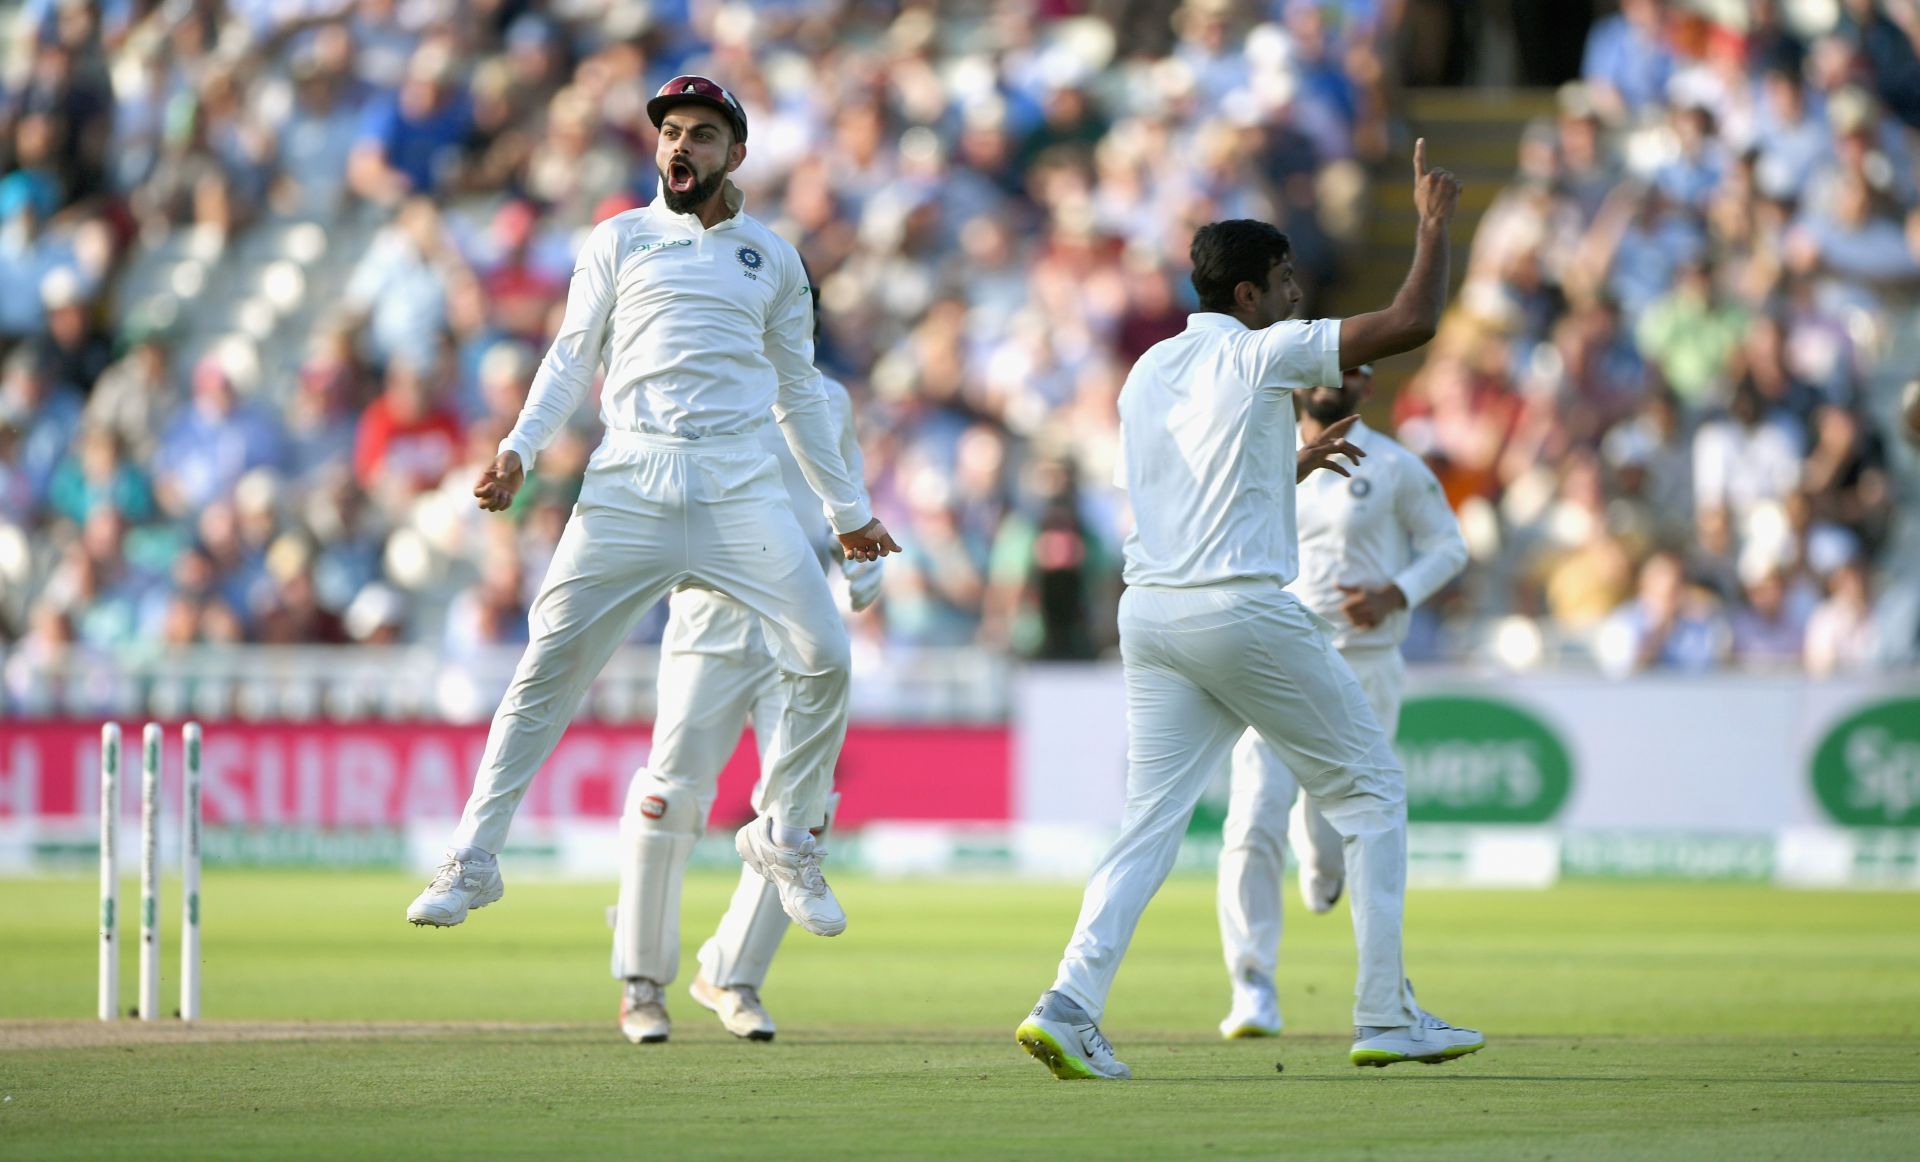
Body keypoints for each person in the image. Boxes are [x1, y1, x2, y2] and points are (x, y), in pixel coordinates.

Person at [1016, 141, 1483, 1080]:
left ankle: (1068, 1003)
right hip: (1239, 610)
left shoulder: (1148, 370)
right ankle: (1386, 1013)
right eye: (1286, 280)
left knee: (1148, 824)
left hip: (1150, 616)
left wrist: (1290, 465)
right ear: (1247, 296)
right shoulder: (1264, 352)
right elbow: (1412, 320)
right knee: (1373, 792)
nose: (1298, 296)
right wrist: (1432, 228)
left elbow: (1179, 483)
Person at [406, 76, 900, 946]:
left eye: (703, 135)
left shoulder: (775, 259)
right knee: (547, 667)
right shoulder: (620, 238)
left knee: (825, 655)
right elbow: (570, 357)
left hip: (738, 486)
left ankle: (786, 838)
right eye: (670, 131)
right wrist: (520, 447)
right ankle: (473, 858)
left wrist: (845, 512)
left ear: (735, 154)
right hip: (629, 479)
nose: (681, 146)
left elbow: (800, 395)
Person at [612, 286, 883, 1045]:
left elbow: (843, 501)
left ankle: (731, 975)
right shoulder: (701, 392)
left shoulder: (828, 401)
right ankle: (641, 981)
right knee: (668, 799)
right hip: (709, 622)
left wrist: (860, 561)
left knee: (799, 809)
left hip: (796, 629)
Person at [1214, 362, 1468, 1039]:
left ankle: (1320, 861)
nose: (1332, 382)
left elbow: (1449, 546)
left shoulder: (1393, 465)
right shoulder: (1259, 458)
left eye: (1348, 371)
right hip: (1277, 661)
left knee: (1343, 833)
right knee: (1251, 816)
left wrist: (1395, 592)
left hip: (1366, 662)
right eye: (1321, 370)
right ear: (1297, 381)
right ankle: (1251, 984)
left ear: (1368, 386)